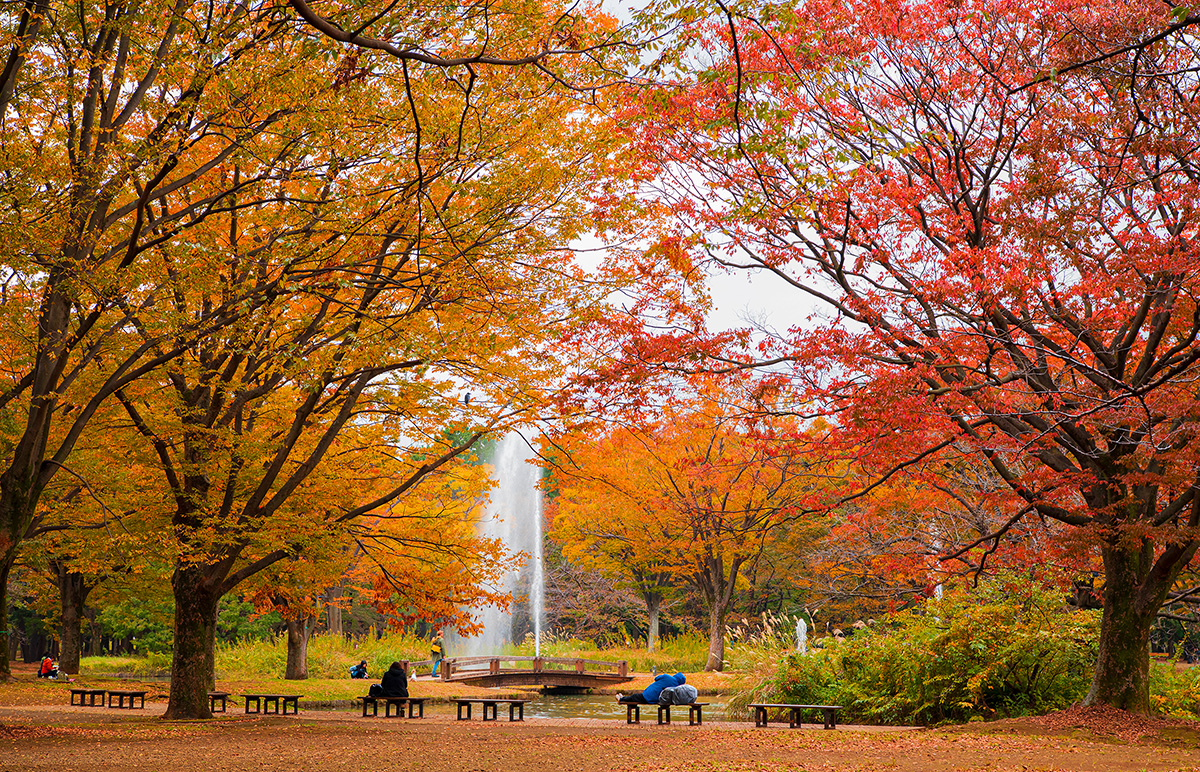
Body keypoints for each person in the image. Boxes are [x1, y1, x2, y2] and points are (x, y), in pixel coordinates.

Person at [618, 672, 686, 704]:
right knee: (638, 697)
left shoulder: (667, 677)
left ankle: (622, 699)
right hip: (659, 700)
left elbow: (656, 678)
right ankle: (623, 698)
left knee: (635, 696)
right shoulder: (676, 688)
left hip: (648, 696)